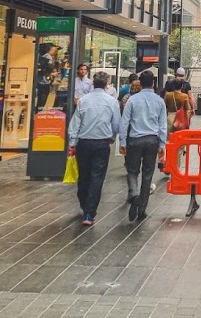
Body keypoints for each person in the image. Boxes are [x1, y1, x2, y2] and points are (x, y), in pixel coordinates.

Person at [67, 73, 120, 226]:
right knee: (97, 177)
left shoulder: (83, 100)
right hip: (101, 143)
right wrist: (113, 136)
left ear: (93, 84)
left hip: (83, 142)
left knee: (83, 175)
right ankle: (90, 212)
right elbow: (116, 123)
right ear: (106, 84)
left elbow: (75, 122)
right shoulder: (111, 101)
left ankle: (84, 204)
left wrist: (73, 142)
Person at [119, 70, 166, 223]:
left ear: (140, 82)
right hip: (152, 140)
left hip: (134, 139)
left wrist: (122, 142)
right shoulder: (159, 101)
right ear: (153, 83)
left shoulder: (133, 100)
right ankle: (142, 210)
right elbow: (162, 125)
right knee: (147, 175)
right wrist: (162, 144)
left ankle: (133, 195)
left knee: (132, 170)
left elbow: (124, 121)